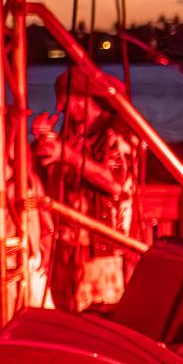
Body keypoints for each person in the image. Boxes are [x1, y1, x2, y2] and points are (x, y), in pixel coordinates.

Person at [34, 68, 143, 312]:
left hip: (102, 248)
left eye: (66, 101)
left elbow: (116, 183)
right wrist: (41, 144)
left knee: (99, 317)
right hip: (68, 247)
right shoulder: (73, 133)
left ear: (84, 98)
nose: (61, 109)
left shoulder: (115, 132)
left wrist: (67, 155)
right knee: (68, 317)